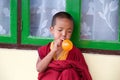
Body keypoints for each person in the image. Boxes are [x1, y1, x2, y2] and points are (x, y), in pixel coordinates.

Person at [36, 12, 92, 80]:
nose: (64, 34)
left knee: (69, 72)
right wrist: (53, 51)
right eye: (60, 30)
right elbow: (39, 69)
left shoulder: (75, 52)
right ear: (52, 30)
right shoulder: (45, 49)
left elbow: (83, 73)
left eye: (69, 31)